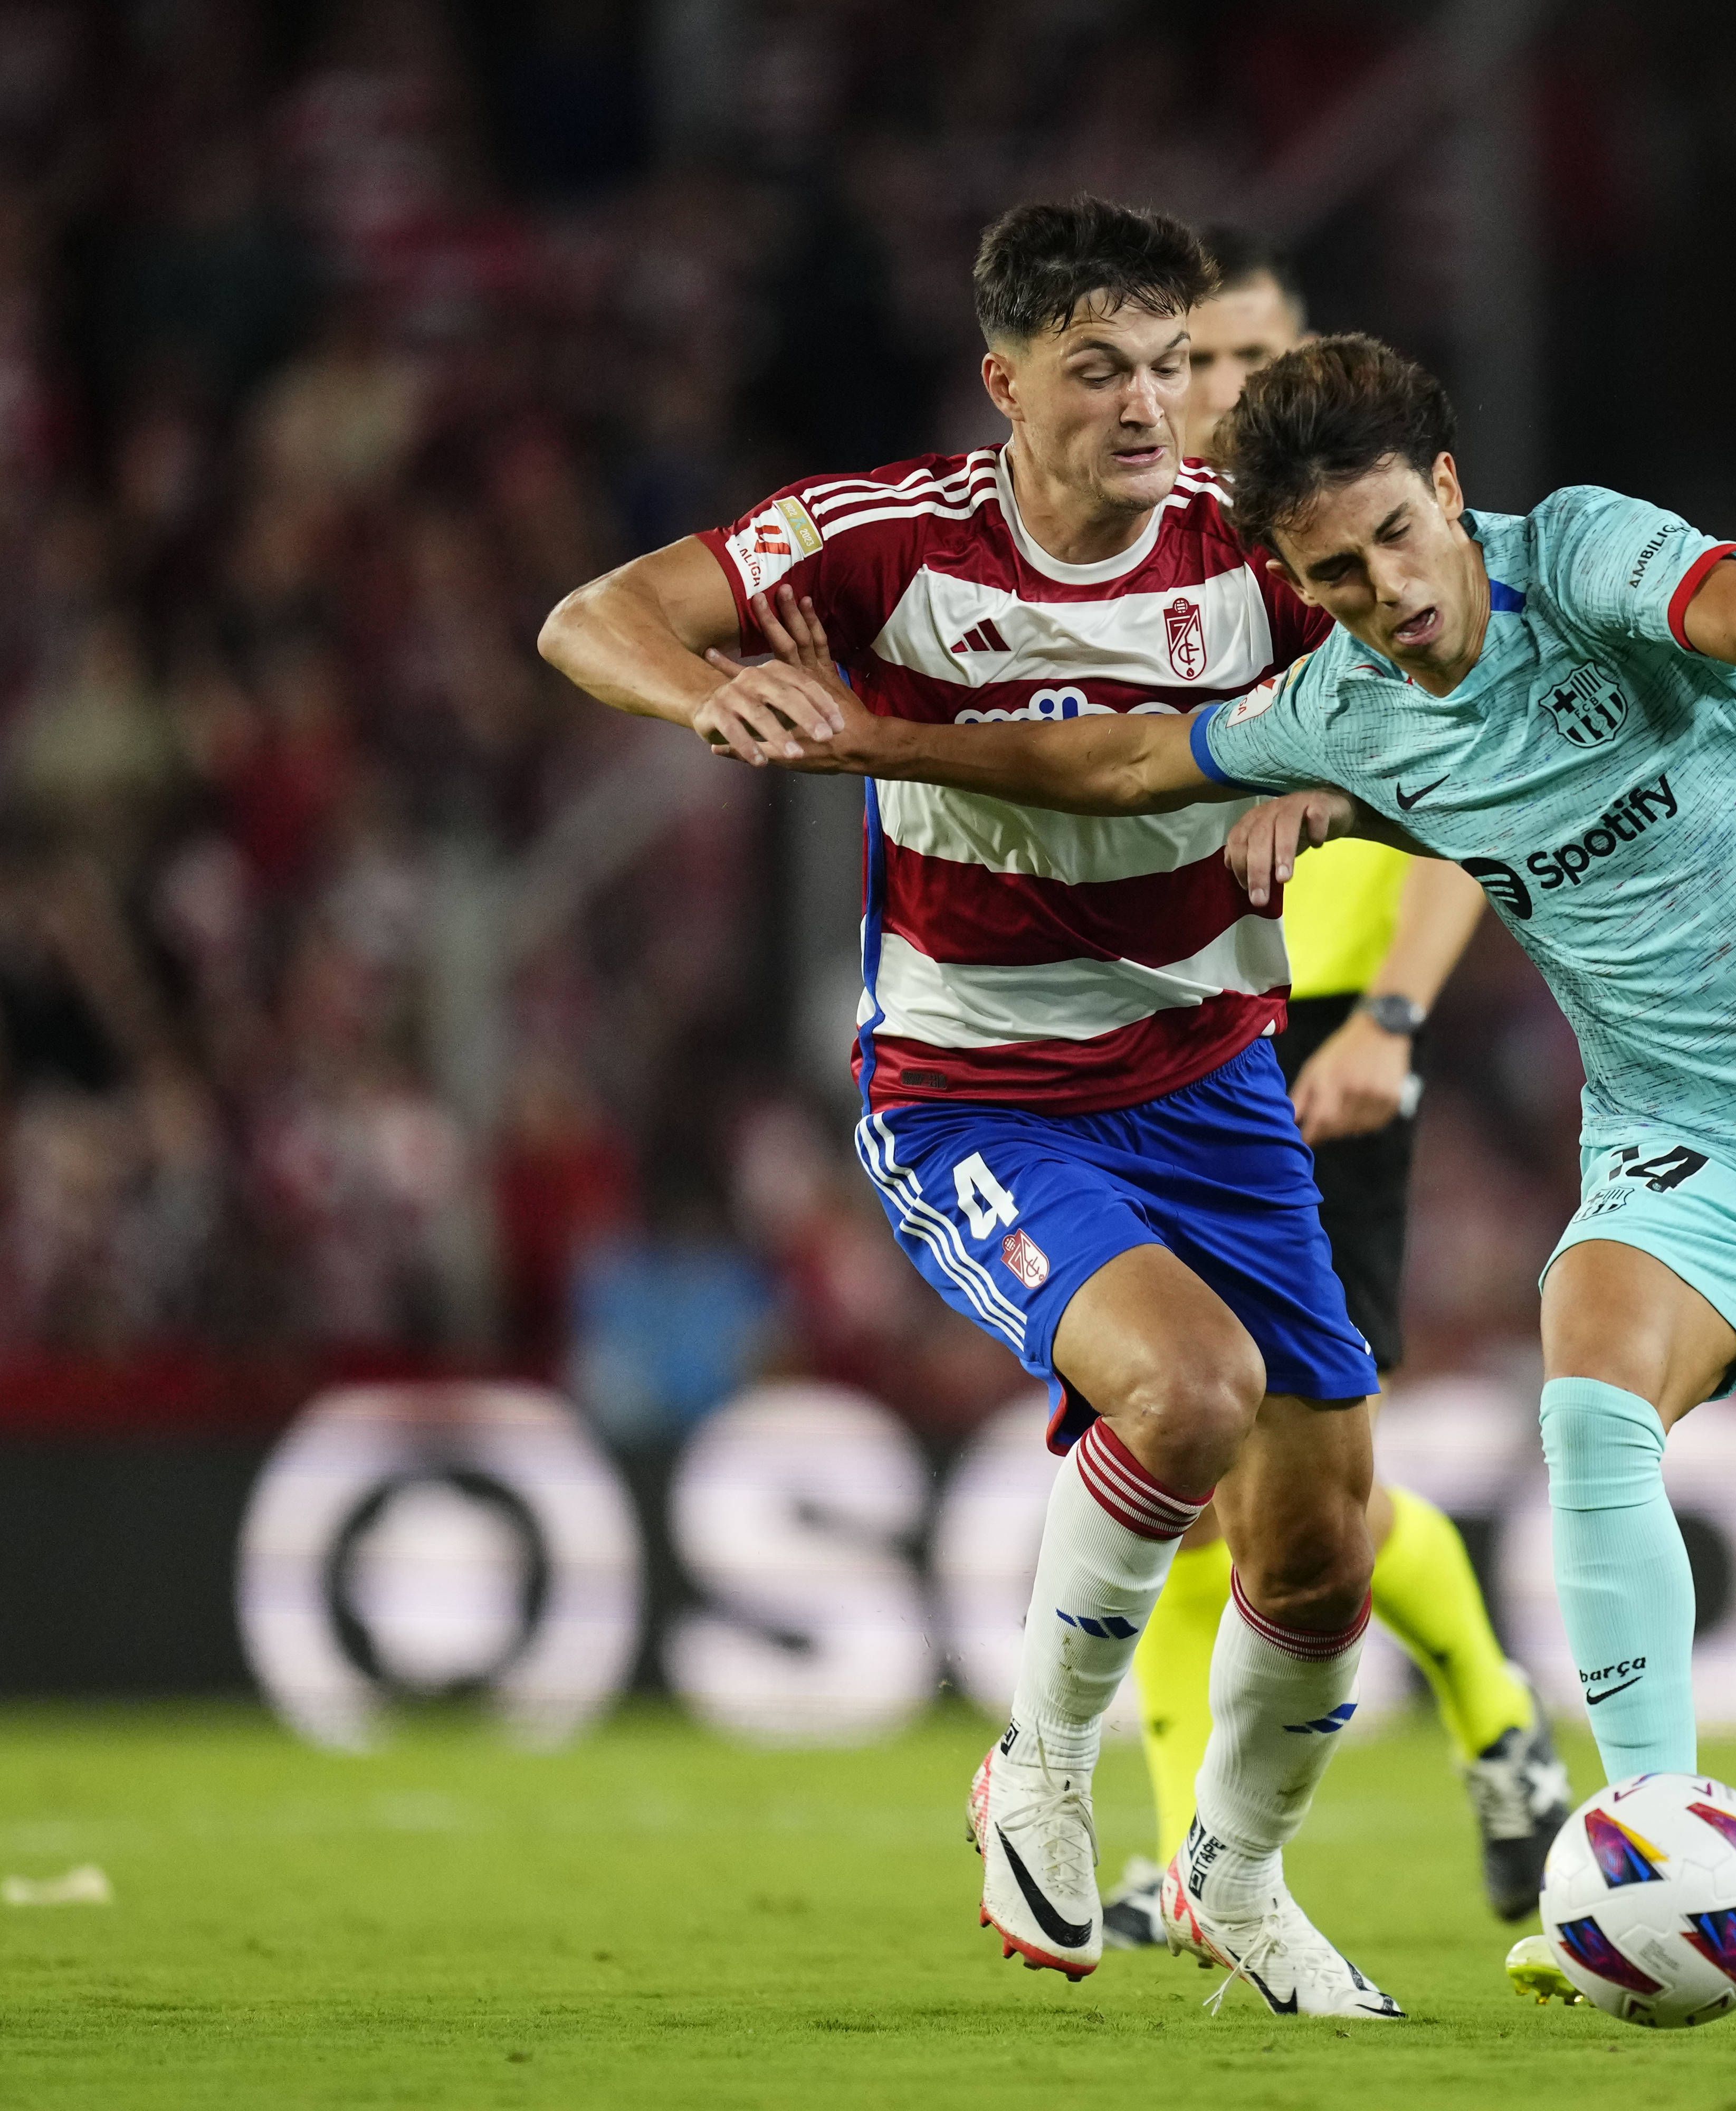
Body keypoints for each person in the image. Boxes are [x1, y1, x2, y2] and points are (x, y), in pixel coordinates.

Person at [711, 332, 1736, 1983]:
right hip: (1686, 1136)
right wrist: (872, 740)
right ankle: (1652, 1845)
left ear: (1448, 493)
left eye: (1397, 544)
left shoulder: (1581, 559)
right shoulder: (1342, 708)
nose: (1382, 597)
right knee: (1590, 1398)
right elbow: (1119, 761)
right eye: (1330, 577)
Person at [536, 197, 1401, 2019]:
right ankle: (1043, 1766)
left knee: (1324, 1560)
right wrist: (719, 697)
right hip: (981, 1092)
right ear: (1005, 381)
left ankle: (1236, 1880)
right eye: (1101, 371)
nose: (1152, 406)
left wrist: (1327, 795)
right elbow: (590, 620)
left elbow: (1416, 703)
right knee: (1189, 1392)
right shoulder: (881, 542)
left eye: (1173, 365)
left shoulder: (1248, 551)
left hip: (1214, 1075)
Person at [1104, 228, 1569, 1950]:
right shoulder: (1166, 587)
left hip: (1321, 1051)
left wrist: (1389, 1020)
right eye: (1193, 369)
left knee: (1282, 1469)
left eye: (1241, 365)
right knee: (1179, 1451)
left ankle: (1469, 1732)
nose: (1215, 396)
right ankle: (1233, 1851)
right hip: (1163, 1040)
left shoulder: (1384, 578)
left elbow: (1484, 805)